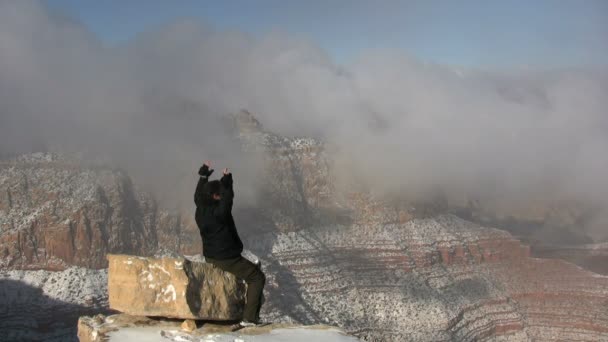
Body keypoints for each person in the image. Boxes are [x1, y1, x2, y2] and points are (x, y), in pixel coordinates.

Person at [194, 161, 265, 329]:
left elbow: (198, 195)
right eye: (218, 194)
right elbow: (228, 200)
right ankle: (249, 319)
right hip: (226, 257)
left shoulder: (200, 207)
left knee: (251, 272)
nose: (221, 196)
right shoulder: (220, 213)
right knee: (257, 277)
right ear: (215, 196)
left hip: (210, 254)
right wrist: (227, 182)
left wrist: (204, 177)